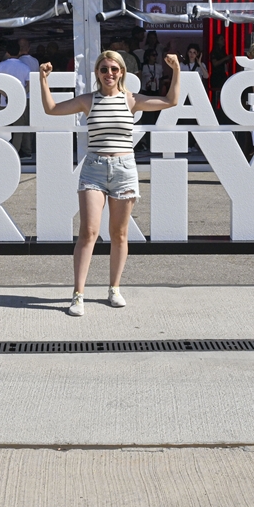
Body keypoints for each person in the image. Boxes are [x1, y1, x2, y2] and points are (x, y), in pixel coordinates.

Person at [39, 50, 181, 317]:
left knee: (119, 234)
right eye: (104, 69)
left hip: (124, 170)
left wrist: (176, 70)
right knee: (88, 232)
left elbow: (171, 101)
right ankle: (78, 295)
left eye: (114, 69)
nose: (109, 74)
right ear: (97, 73)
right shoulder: (88, 101)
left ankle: (114, 288)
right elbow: (52, 109)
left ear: (122, 72)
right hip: (93, 169)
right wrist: (43, 79)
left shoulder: (131, 100)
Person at [0, 42, 33, 158]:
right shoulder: (25, 67)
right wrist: (20, 94)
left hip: (4, 101)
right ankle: (15, 153)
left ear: (7, 53)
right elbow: (30, 84)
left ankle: (3, 151)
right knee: (19, 129)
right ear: (19, 52)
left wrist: (6, 94)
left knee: (3, 127)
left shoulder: (1, 65)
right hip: (21, 101)